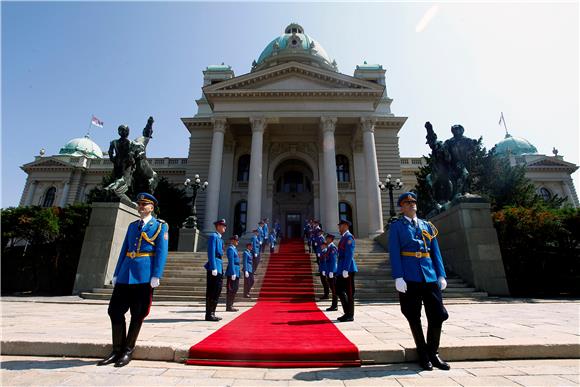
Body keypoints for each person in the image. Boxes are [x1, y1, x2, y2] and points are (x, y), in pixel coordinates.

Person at [98, 193, 168, 367]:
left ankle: (127, 351)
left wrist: (156, 275)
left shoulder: (159, 226)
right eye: (140, 204)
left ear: (152, 207)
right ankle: (116, 350)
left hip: (144, 275)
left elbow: (161, 251)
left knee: (137, 314)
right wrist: (116, 272)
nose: (141, 207)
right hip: (125, 273)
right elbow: (124, 249)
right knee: (114, 311)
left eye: (144, 204)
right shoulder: (132, 226)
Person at [388, 192, 450, 371]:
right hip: (409, 277)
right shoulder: (397, 227)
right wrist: (398, 276)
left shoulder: (427, 225)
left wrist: (441, 274)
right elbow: (394, 252)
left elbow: (435, 251)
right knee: (413, 316)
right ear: (402, 207)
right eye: (408, 202)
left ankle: (433, 352)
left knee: (437, 315)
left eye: (414, 201)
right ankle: (423, 354)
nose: (412, 204)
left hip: (429, 275)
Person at [204, 219, 226, 322]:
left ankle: (213, 312)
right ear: (218, 226)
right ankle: (209, 314)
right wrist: (213, 267)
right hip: (215, 267)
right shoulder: (213, 236)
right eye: (223, 226)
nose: (224, 227)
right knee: (212, 291)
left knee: (217, 291)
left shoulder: (220, 239)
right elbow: (211, 252)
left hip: (219, 266)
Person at [336, 219, 357, 322]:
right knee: (339, 290)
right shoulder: (344, 237)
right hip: (341, 268)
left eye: (340, 226)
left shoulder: (349, 237)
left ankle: (350, 315)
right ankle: (346, 312)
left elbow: (349, 254)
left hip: (347, 269)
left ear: (345, 226)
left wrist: (345, 269)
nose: (339, 228)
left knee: (349, 292)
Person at [225, 234, 241, 312]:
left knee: (235, 288)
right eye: (236, 240)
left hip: (236, 270)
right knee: (231, 289)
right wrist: (233, 272)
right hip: (233, 270)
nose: (238, 241)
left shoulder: (234, 249)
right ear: (233, 241)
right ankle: (229, 306)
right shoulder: (231, 249)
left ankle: (231, 305)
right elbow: (231, 261)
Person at [324, 233, 339, 311]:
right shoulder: (329, 247)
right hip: (329, 271)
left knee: (334, 289)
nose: (326, 240)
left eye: (327, 238)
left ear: (330, 239)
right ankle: (334, 304)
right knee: (332, 288)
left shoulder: (332, 247)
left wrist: (331, 271)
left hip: (332, 271)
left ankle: (335, 305)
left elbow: (333, 260)